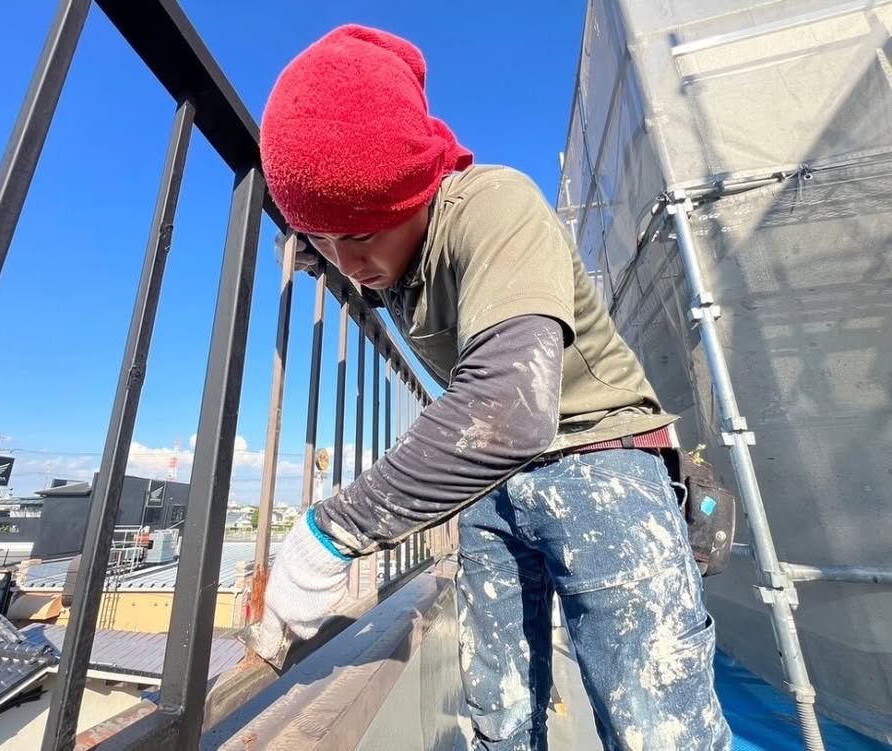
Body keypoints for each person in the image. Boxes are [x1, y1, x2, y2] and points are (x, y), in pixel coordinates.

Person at [252, 24, 732, 751]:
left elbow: (508, 407)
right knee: (497, 720)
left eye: (363, 231)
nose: (348, 265)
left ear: (414, 188)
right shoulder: (391, 264)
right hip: (496, 482)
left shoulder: (494, 203)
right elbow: (496, 429)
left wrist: (335, 532)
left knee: (658, 731)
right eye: (323, 239)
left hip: (601, 460)